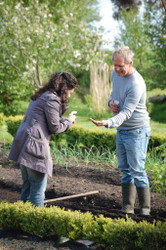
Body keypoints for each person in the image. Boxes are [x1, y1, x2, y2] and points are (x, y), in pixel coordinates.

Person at [90, 46, 151, 216]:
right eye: (114, 65)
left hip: (137, 131)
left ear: (130, 63)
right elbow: (113, 95)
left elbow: (127, 112)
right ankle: (127, 208)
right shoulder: (116, 75)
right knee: (125, 170)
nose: (116, 69)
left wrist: (108, 122)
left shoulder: (136, 83)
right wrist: (110, 103)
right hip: (122, 130)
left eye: (120, 66)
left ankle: (145, 212)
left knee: (137, 171)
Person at [8, 72, 79, 208]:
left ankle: (21, 221)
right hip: (34, 146)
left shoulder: (42, 95)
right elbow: (55, 127)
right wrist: (69, 121)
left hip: (24, 143)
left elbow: (47, 120)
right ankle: (35, 225)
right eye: (70, 91)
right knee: (38, 191)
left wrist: (65, 118)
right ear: (64, 88)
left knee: (27, 187)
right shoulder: (51, 99)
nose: (70, 95)